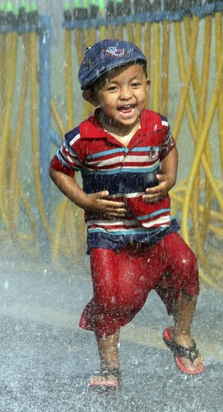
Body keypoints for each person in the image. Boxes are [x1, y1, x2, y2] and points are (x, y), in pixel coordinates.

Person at [49, 39, 205, 388]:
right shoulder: (83, 139)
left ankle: (181, 334)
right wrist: (84, 201)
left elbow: (170, 147)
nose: (126, 96)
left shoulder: (156, 126)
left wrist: (170, 177)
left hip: (155, 225)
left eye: (135, 85)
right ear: (92, 97)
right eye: (113, 88)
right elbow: (58, 169)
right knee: (108, 296)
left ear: (147, 86)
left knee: (186, 265)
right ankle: (110, 367)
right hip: (107, 232)